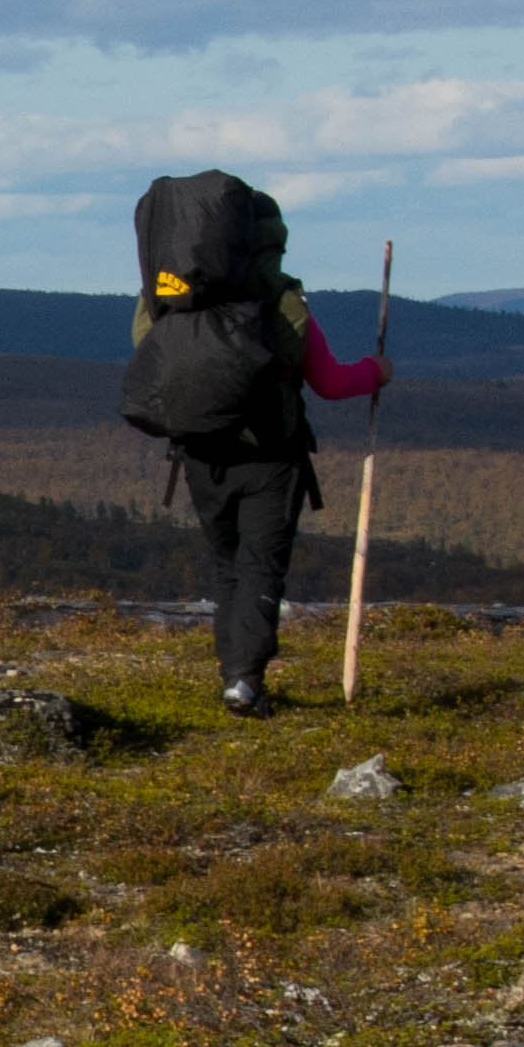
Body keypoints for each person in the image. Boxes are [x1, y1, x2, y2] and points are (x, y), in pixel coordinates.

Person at [120, 181, 385, 713]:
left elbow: (151, 356)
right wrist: (377, 371)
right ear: (272, 240)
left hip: (200, 455)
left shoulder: (168, 299)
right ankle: (244, 680)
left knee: (229, 568)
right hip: (271, 456)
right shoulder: (281, 300)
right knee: (262, 566)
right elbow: (331, 382)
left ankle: (236, 678)